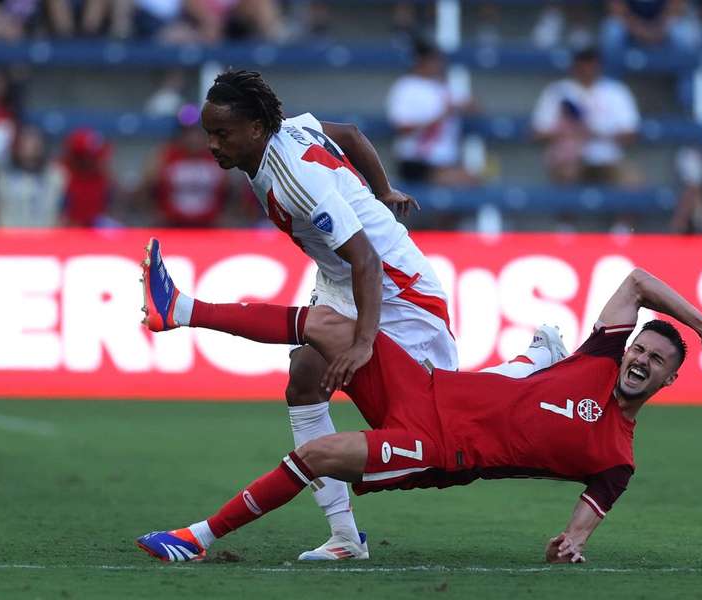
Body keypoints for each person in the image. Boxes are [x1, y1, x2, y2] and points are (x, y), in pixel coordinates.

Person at [143, 70, 565, 561]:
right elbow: (349, 135)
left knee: (447, 420)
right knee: (305, 378)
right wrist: (382, 190)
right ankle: (344, 538)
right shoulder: (291, 129)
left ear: (256, 129)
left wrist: (364, 342)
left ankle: (533, 365)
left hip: (398, 289)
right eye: (208, 133)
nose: (212, 144)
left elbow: (366, 257)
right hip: (343, 278)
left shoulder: (294, 178)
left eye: (222, 134)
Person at [137, 250, 702, 563]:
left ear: (669, 381)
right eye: (640, 348)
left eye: (657, 361)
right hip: (425, 389)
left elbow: (581, 527)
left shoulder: (616, 456)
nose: (641, 359)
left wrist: (571, 543)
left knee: (317, 453)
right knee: (331, 324)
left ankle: (197, 538)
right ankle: (179, 310)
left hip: (437, 450)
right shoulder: (598, 355)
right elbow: (639, 281)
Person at [532, 47, 640, 186]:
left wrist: (595, 133)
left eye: (591, 64)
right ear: (574, 66)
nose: (587, 69)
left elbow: (631, 134)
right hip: (569, 160)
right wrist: (567, 131)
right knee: (566, 175)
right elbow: (537, 133)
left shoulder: (616, 91)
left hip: (608, 159)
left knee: (633, 182)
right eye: (583, 64)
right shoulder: (558, 91)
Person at [385, 38, 477, 186]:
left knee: (473, 179)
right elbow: (401, 128)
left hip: (445, 161)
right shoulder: (405, 87)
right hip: (416, 161)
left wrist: (464, 106)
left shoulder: (442, 86)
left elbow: (475, 108)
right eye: (433, 60)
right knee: (467, 181)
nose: (439, 64)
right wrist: (439, 118)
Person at [0, 125, 66, 227]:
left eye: (35, 141)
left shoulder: (56, 176)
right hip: (10, 237)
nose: (30, 146)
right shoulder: (1, 175)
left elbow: (63, 213)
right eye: (25, 141)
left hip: (45, 237)